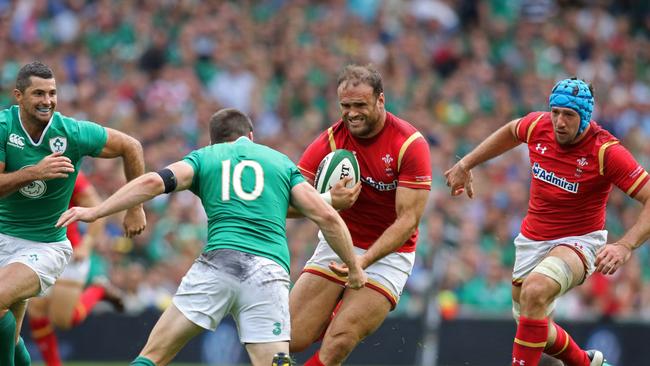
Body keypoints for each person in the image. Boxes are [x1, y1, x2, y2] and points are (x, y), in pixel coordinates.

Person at [55, 108, 367, 366]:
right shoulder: (280, 162)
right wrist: (354, 266)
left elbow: (152, 181)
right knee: (274, 362)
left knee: (152, 357)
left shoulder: (206, 157)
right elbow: (325, 217)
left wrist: (97, 212)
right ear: (251, 136)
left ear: (215, 140)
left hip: (217, 266)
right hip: (268, 274)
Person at [445, 77, 650, 366]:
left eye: (569, 115)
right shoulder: (538, 125)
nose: (559, 121)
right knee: (532, 320)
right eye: (555, 112)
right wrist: (466, 163)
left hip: (579, 242)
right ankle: (586, 363)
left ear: (585, 118)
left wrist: (625, 246)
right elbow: (511, 131)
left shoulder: (605, 151)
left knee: (536, 291)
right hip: (532, 239)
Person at [0, 61, 146, 365]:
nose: (48, 101)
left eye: (52, 93)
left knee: (49, 315)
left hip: (44, 246)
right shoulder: (3, 127)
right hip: (3, 237)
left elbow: (131, 146)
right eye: (38, 93)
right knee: (10, 336)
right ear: (18, 96)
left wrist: (136, 207)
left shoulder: (71, 133)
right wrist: (33, 173)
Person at [289, 64, 432, 366]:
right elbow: (289, 204)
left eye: (360, 105)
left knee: (339, 341)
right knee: (292, 337)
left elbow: (408, 222)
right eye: (345, 106)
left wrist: (361, 263)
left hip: (388, 257)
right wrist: (327, 199)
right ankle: (328, 312)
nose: (351, 113)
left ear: (381, 100)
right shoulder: (328, 142)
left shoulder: (409, 144)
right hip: (337, 243)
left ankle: (337, 317)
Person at [27, 171, 125, 366]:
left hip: (68, 252)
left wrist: (87, 244)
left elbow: (98, 210)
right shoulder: (18, 165)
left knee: (63, 320)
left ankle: (99, 289)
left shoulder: (68, 171)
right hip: (33, 251)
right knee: (36, 310)